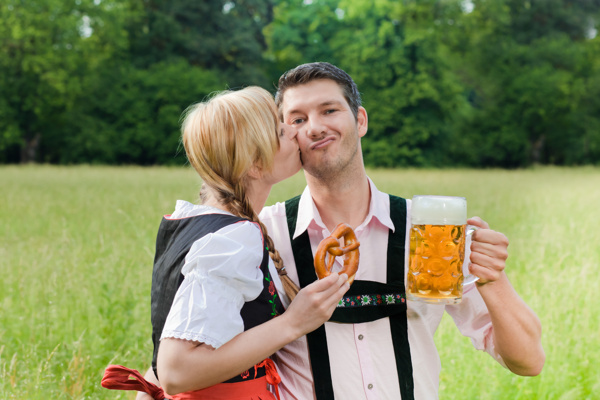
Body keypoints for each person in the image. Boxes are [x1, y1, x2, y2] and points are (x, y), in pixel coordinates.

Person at [256, 62, 546, 400]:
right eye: (298, 119)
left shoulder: (428, 232)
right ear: (286, 135)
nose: (315, 127)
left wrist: (493, 280)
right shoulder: (263, 233)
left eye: (329, 110)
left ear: (360, 120)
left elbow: (528, 361)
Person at [102, 86, 350, 399]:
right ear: (255, 165)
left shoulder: (191, 223)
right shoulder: (232, 238)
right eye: (280, 130)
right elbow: (175, 371)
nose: (294, 130)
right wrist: (293, 323)